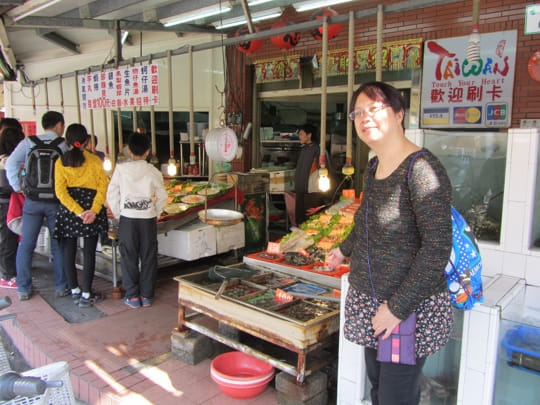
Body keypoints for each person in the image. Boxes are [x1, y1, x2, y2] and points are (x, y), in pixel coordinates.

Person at [327, 82, 454, 405]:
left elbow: (437, 248)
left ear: (399, 114)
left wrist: (396, 309)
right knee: (379, 391)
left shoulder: (422, 169)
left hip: (404, 310)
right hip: (373, 302)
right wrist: (343, 249)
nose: (364, 117)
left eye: (375, 108)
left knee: (395, 397)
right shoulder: (374, 166)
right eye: (358, 112)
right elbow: (365, 220)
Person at [5, 111, 69, 301]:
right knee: (58, 245)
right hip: (55, 202)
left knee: (26, 244)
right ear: (59, 125)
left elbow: (10, 165)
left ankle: (24, 288)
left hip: (32, 201)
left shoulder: (28, 143)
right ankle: (61, 286)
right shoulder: (63, 145)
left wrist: (19, 188)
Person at [106, 132, 167, 309]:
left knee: (128, 256)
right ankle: (147, 295)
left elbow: (112, 194)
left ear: (129, 152)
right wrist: (156, 212)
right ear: (148, 152)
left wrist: (119, 213)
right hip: (147, 219)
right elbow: (162, 196)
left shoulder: (121, 169)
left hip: (128, 219)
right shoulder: (153, 171)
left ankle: (132, 296)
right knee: (148, 256)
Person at [53, 124, 109, 308]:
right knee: (89, 252)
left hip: (70, 211)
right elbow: (103, 187)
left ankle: (75, 290)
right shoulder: (94, 161)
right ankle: (87, 293)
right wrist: (92, 210)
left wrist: (77, 211)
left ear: (67, 141)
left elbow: (60, 192)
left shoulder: (60, 162)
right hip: (91, 209)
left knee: (69, 250)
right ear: (86, 141)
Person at [0, 127, 24, 288]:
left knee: (7, 238)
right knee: (8, 239)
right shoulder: (7, 161)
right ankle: (7, 275)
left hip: (4, 203)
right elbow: (7, 186)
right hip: (6, 205)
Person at [287, 123, 323, 226]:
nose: (300, 136)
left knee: (310, 218)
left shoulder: (317, 149)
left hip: (311, 190)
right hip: (300, 189)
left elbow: (322, 169)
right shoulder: (304, 149)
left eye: (302, 134)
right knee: (299, 218)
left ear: (309, 135)